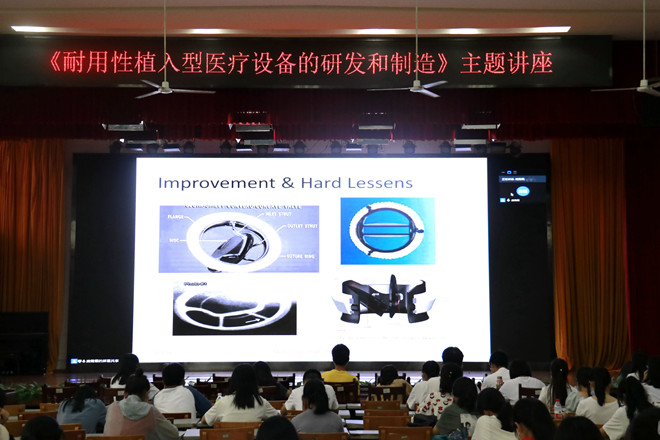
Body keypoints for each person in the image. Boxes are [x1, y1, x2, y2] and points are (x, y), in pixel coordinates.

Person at [104, 369, 179, 440]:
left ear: (125, 393)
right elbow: (174, 434)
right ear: (147, 394)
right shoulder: (150, 411)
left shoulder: (112, 408)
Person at [202, 364, 278, 424]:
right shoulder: (261, 402)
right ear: (254, 382)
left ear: (233, 381)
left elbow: (204, 420)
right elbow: (278, 419)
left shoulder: (223, 402)